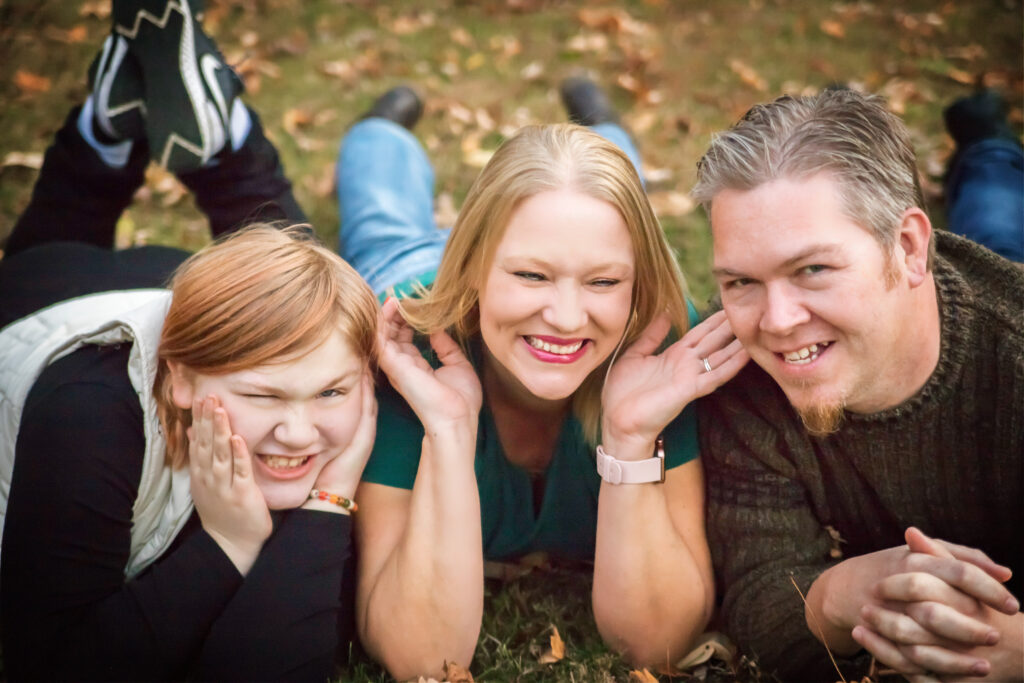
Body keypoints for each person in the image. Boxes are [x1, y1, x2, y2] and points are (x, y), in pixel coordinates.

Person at [0, 6, 380, 680]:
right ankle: (175, 146)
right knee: (59, 229)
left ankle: (122, 128)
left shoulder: (330, 395)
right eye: (263, 395)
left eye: (332, 390)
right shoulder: (89, 418)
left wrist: (332, 495)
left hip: (175, 288)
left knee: (305, 291)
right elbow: (53, 666)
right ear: (178, 380)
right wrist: (230, 544)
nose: (298, 434)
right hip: (42, 295)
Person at [335, 81, 749, 679]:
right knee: (383, 221)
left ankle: (602, 127)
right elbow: (421, 658)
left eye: (605, 282)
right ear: (476, 265)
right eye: (531, 276)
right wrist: (448, 432)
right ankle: (381, 132)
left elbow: (657, 643)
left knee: (588, 184)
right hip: (414, 277)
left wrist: (631, 438)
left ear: (635, 283)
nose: (566, 317)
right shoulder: (404, 348)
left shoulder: (665, 347)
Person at [691, 87, 1022, 681]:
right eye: (741, 281)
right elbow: (757, 594)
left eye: (812, 269)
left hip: (983, 296)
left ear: (908, 247)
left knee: (997, 214)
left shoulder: (1014, 356)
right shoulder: (742, 382)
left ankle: (986, 139)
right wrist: (842, 596)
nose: (777, 322)